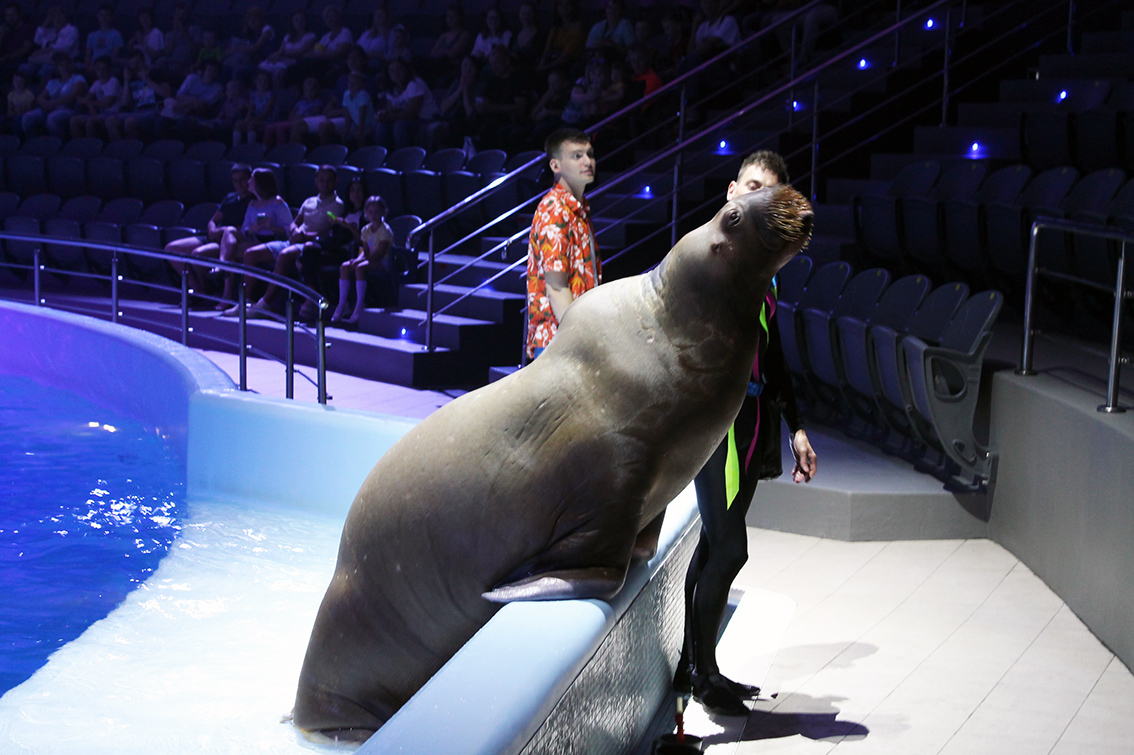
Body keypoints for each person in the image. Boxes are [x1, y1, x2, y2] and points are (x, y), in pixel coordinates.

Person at [676, 150, 817, 717]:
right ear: (733, 189)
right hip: (718, 427)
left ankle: (698, 666)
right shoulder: (711, 259)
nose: (758, 201)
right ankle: (701, 673)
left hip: (752, 422)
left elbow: (774, 355)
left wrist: (797, 426)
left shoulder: (761, 274)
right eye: (752, 188)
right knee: (731, 548)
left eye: (771, 196)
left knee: (714, 546)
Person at [525, 127, 600, 360]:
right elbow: (556, 287)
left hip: (572, 336)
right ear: (555, 166)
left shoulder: (578, 210)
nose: (587, 161)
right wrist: (578, 339)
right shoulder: (555, 211)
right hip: (559, 342)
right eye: (577, 156)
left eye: (590, 154)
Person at [165, 163, 253, 298]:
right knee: (171, 249)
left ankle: (207, 288)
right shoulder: (230, 197)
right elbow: (214, 220)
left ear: (249, 179)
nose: (238, 184)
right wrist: (212, 230)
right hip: (213, 236)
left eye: (242, 179)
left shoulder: (254, 201)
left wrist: (222, 231)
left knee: (197, 255)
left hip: (228, 241)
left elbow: (246, 227)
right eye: (235, 180)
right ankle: (198, 289)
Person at [218, 167, 293, 310]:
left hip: (274, 241)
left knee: (239, 253)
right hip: (256, 239)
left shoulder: (277, 202)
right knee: (230, 232)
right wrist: (251, 229)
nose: (248, 181)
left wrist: (270, 226)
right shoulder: (252, 204)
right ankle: (226, 287)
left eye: (251, 178)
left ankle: (241, 297)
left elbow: (289, 230)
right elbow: (246, 228)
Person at [330, 194, 394, 327]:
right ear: (366, 213)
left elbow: (379, 253)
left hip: (384, 262)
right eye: (370, 212)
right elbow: (365, 250)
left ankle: (360, 305)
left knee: (359, 267)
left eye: (377, 212)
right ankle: (342, 304)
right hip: (370, 260)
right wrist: (357, 259)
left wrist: (360, 263)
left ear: (383, 212)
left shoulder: (385, 230)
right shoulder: (365, 230)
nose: (373, 214)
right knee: (345, 266)